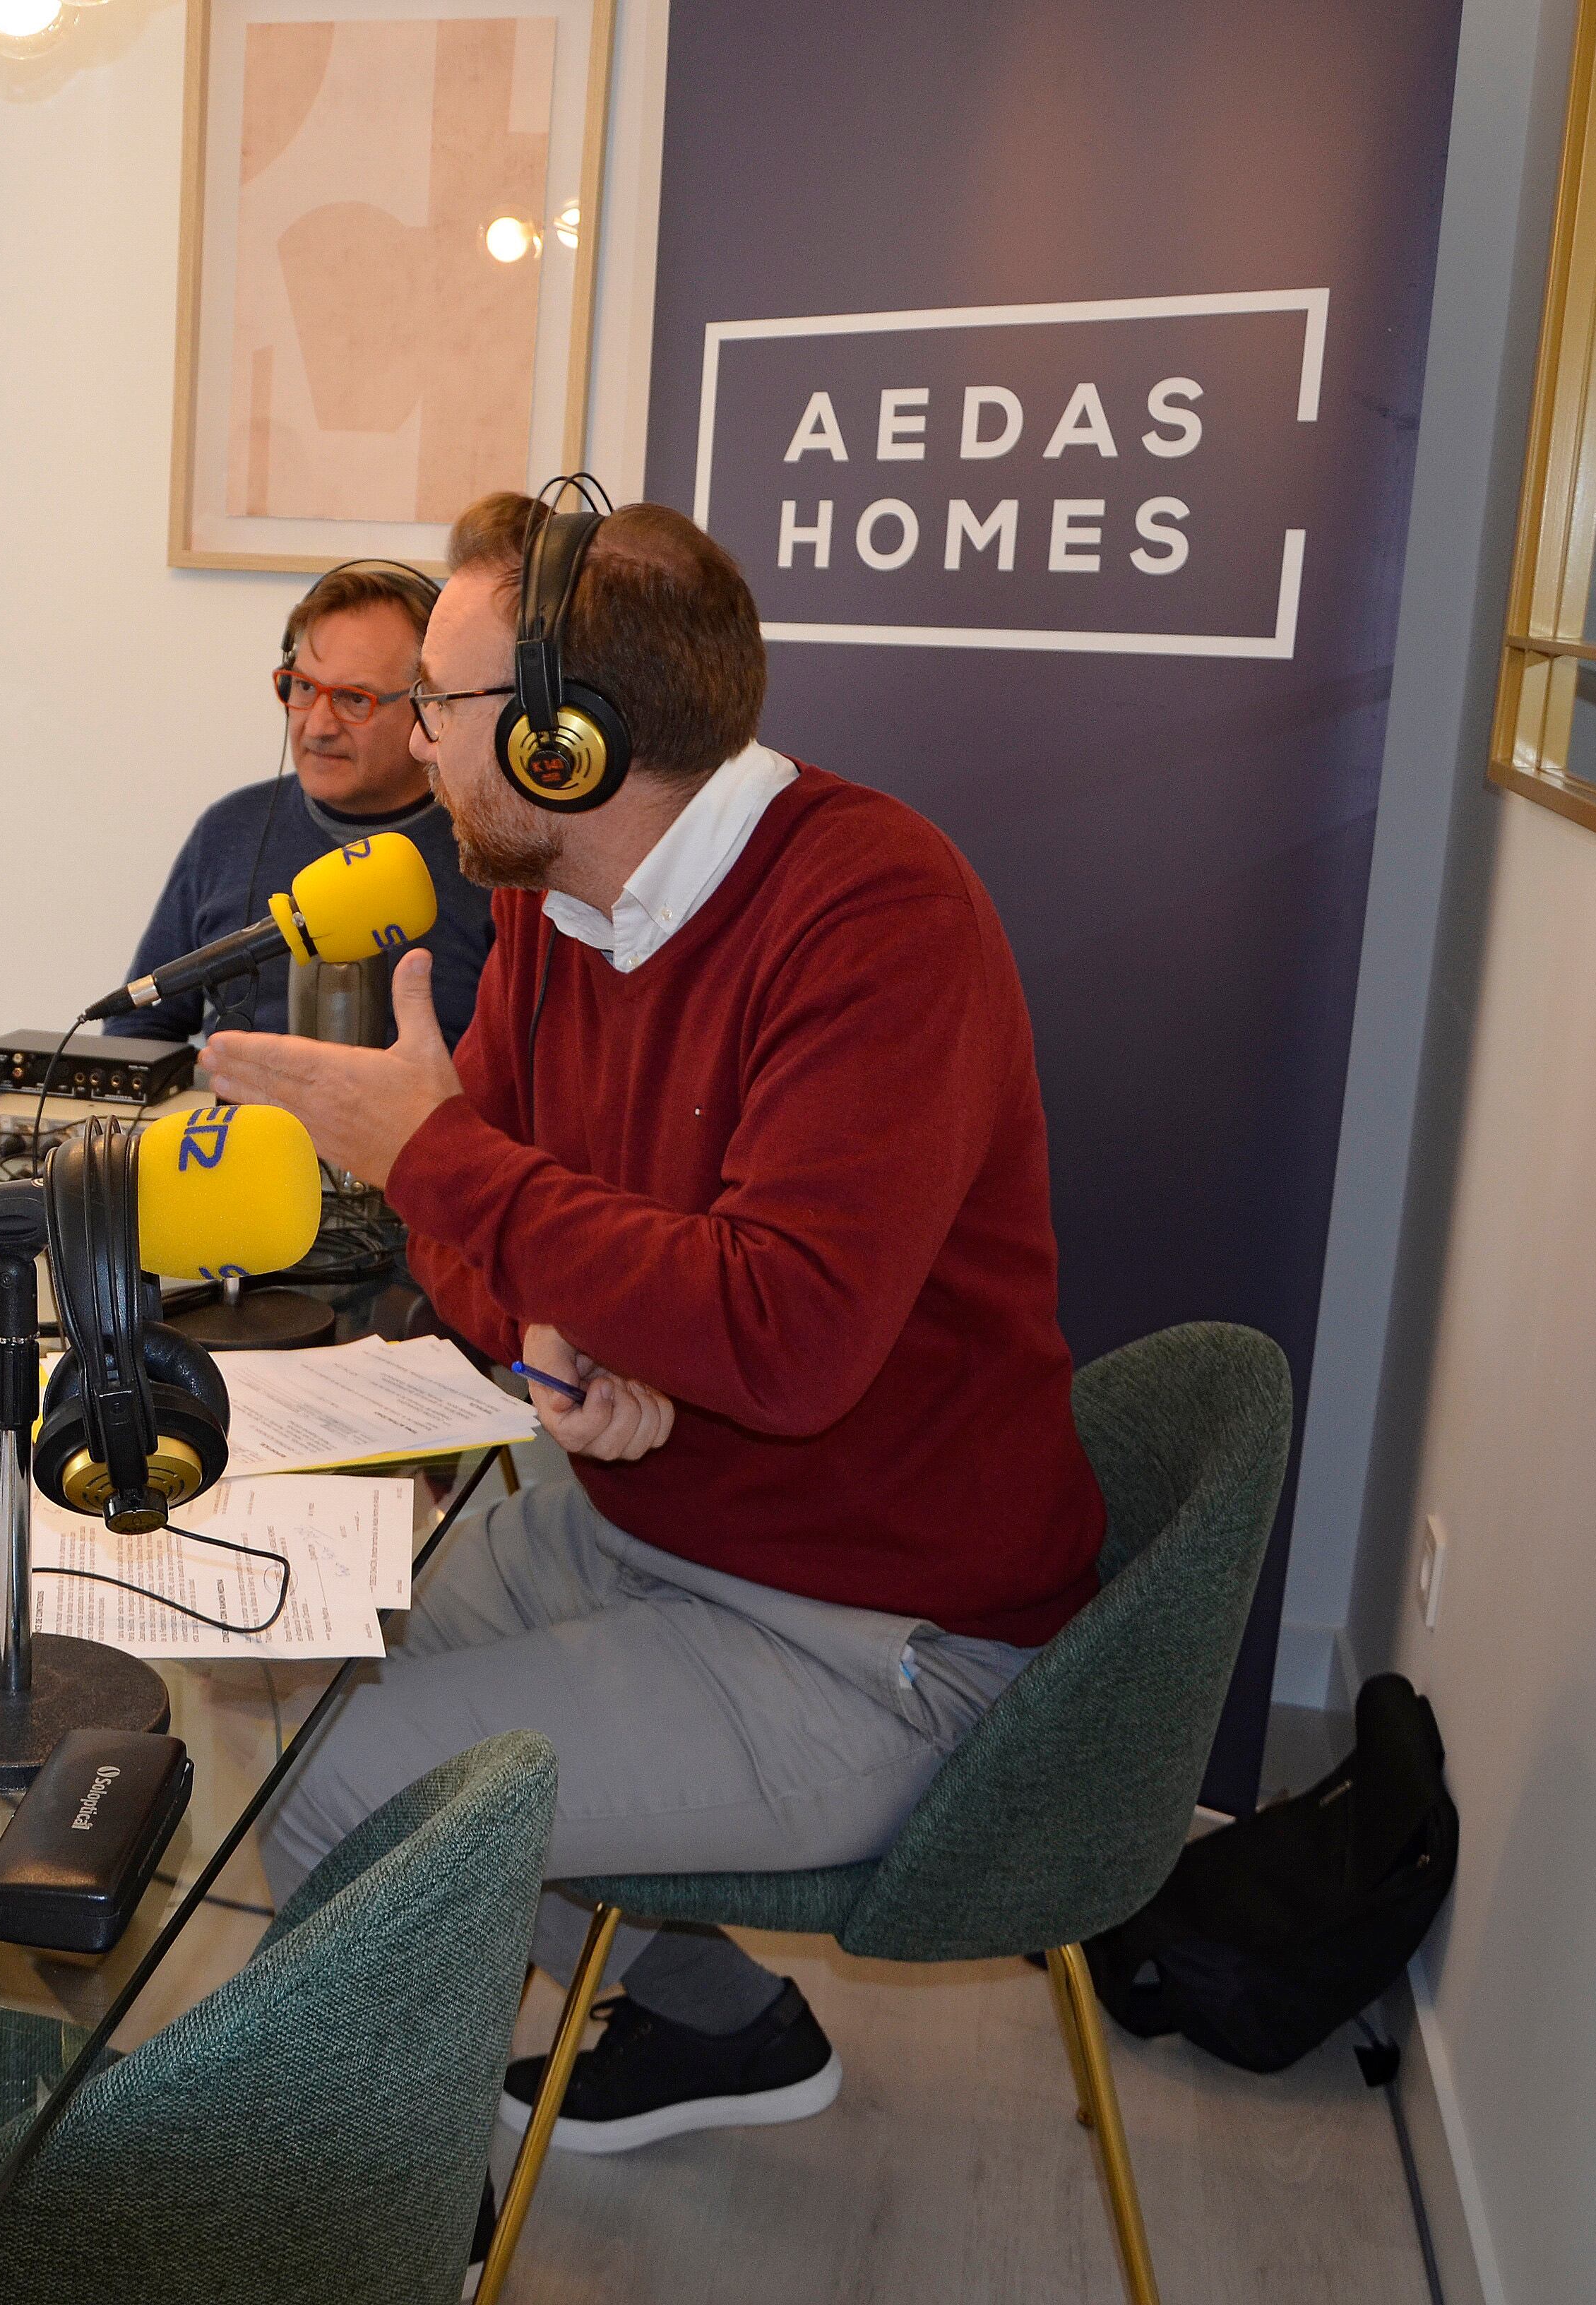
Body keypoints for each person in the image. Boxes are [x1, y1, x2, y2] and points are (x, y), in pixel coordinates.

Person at [203, 490, 1103, 2156]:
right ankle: (713, 2018)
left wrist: (434, 1154)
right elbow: (484, 1244)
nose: (415, 743)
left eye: (438, 704)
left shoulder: (877, 911)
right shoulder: (552, 901)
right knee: (287, 1673)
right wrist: (560, 1341)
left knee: (344, 1791)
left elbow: (785, 1336)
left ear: (564, 741)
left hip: (874, 1637)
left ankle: (354, 2232)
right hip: (646, 1527)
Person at [103, 561, 492, 1044]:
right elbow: (139, 1028)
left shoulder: (493, 852)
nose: (319, 727)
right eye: (305, 688)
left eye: (355, 699)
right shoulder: (229, 830)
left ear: (429, 705)